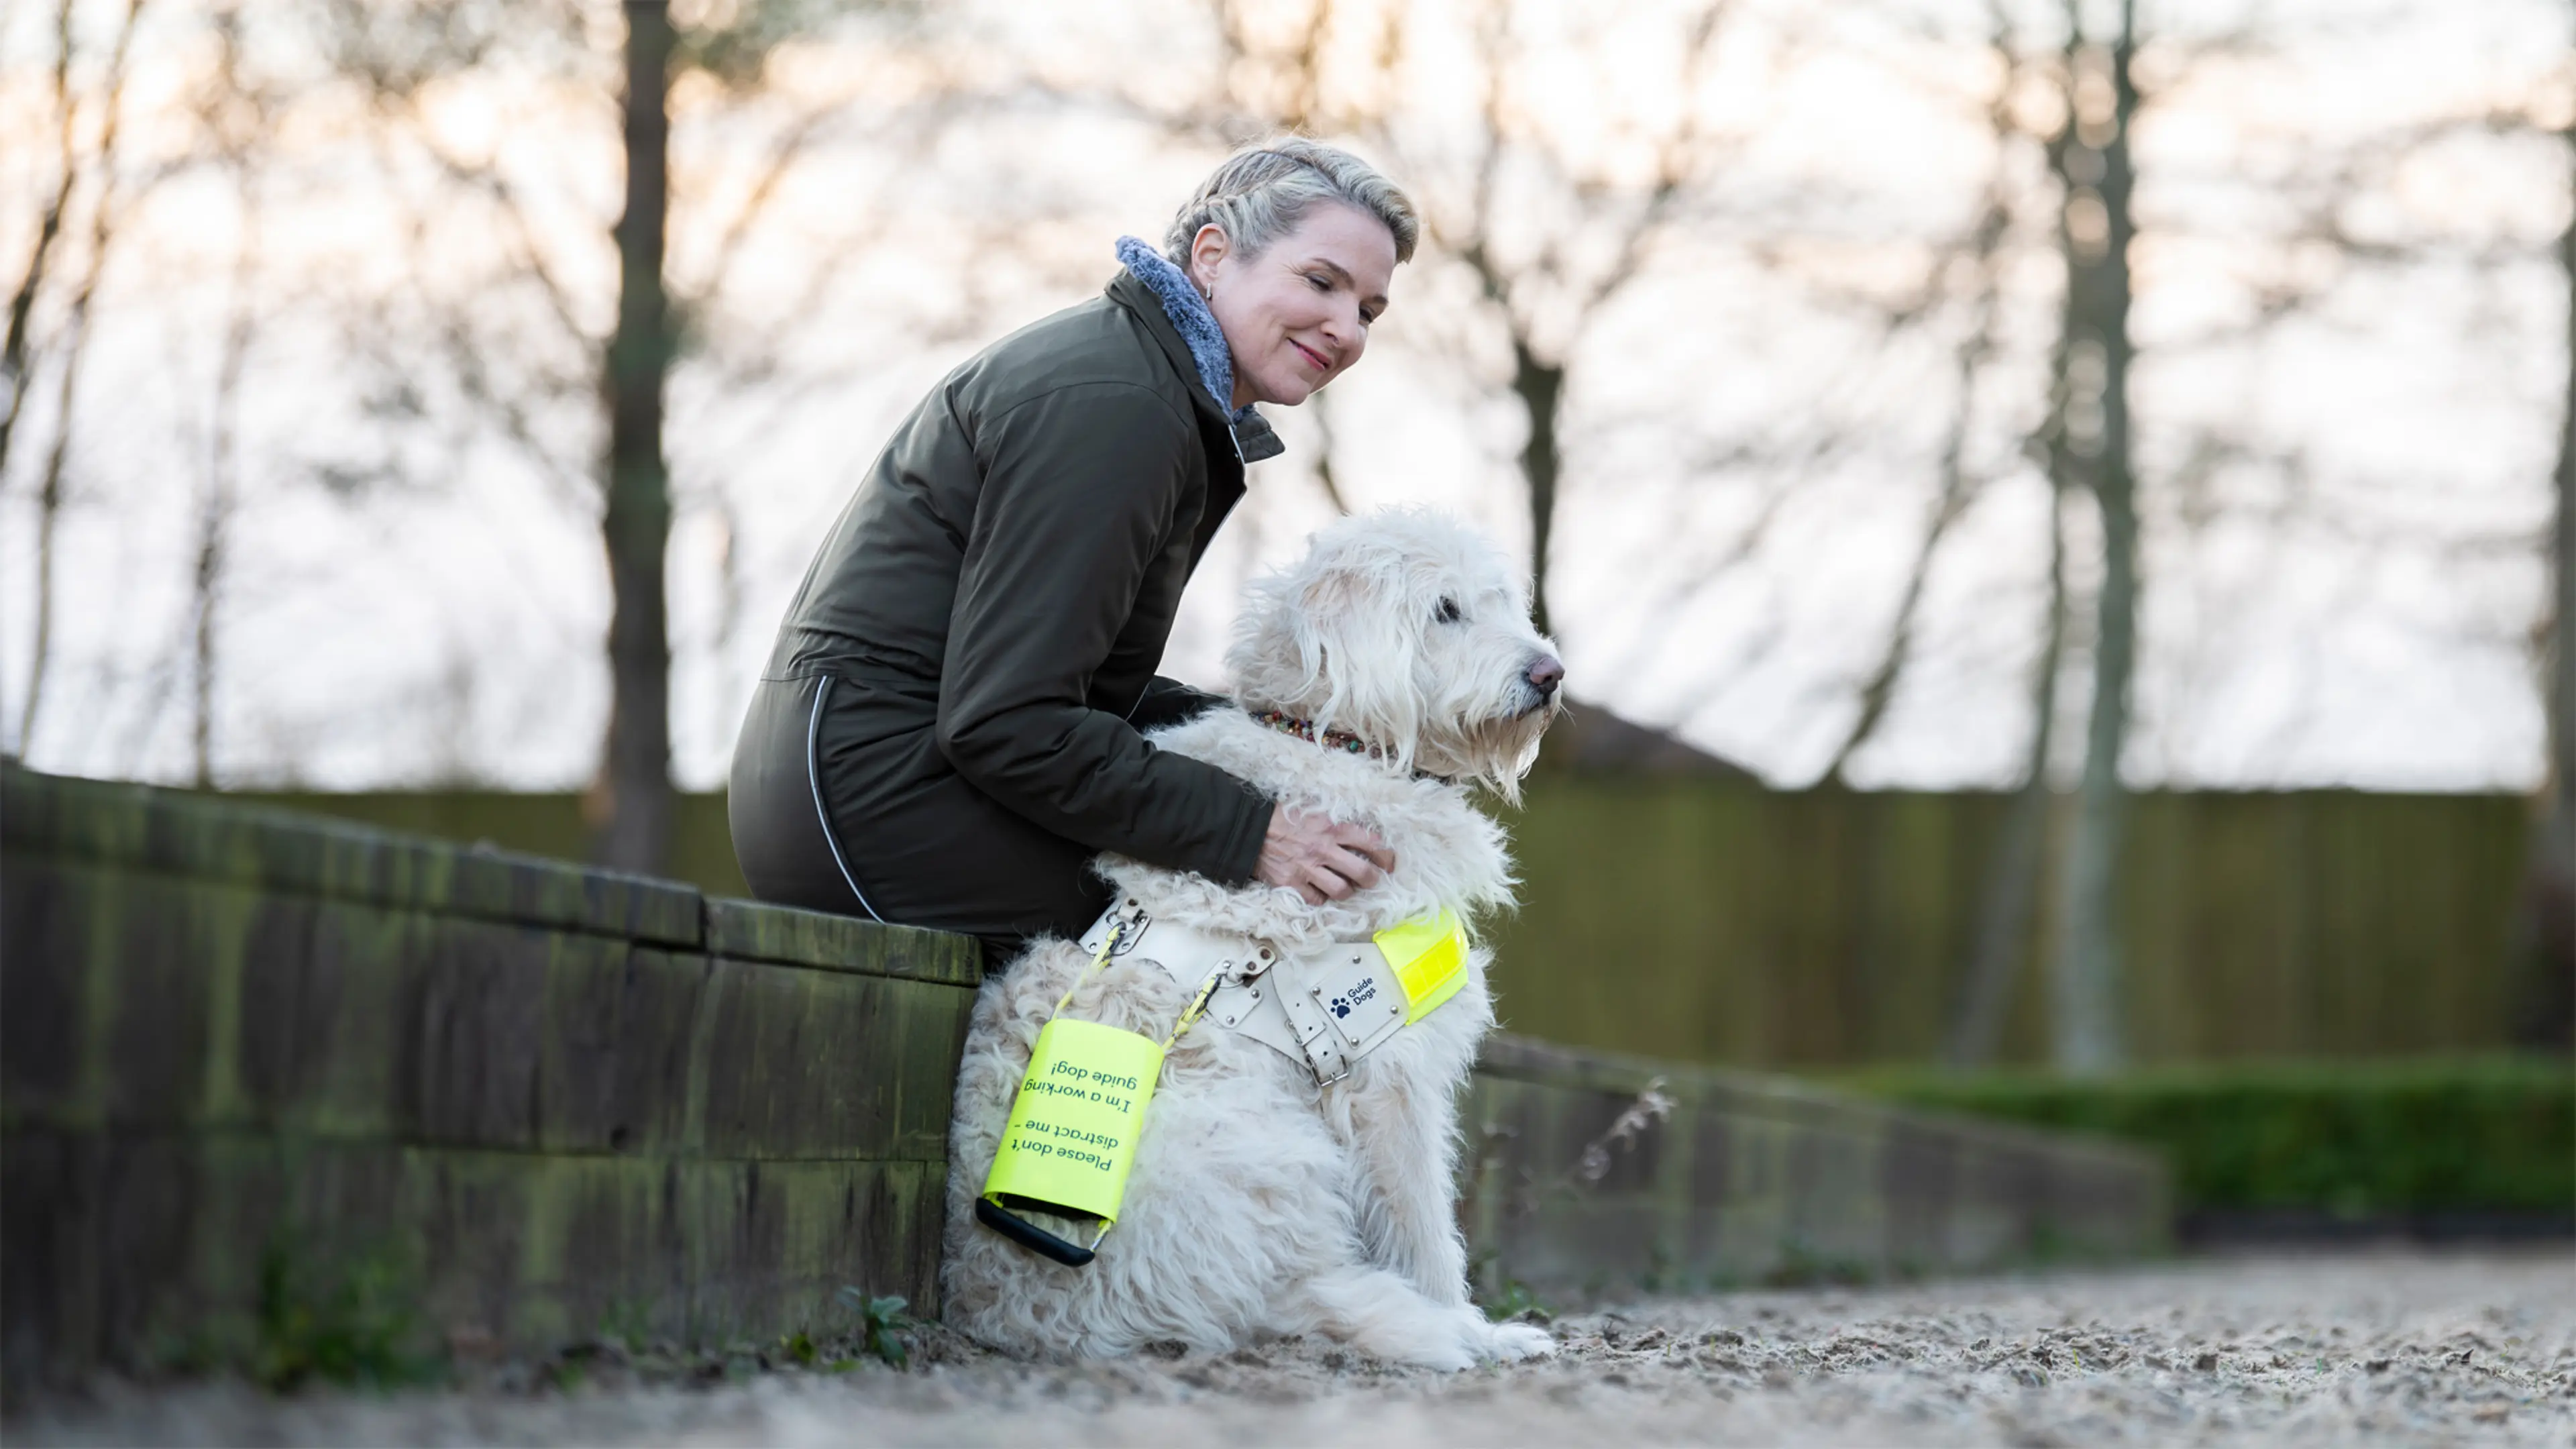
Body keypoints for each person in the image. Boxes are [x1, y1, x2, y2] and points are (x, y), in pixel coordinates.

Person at [728, 139, 1420, 961]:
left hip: (861, 787)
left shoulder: (1141, 383)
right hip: (883, 804)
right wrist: (1255, 830)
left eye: (1369, 311)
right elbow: (1010, 721)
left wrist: (1276, 740)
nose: (1345, 329)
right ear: (1213, 255)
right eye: (1321, 282)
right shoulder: (1121, 406)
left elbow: (1072, 690)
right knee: (1252, 934)